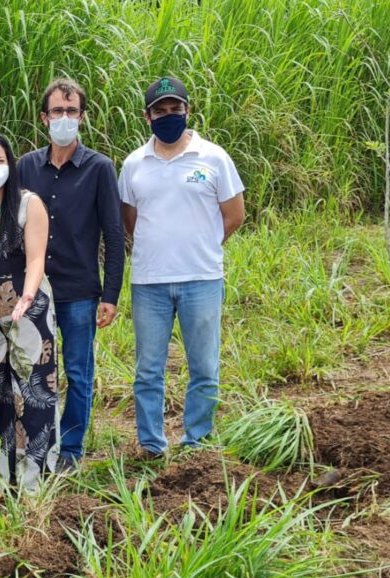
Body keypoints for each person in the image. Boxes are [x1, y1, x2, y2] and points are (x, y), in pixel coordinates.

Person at [119, 76, 246, 457]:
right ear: (147, 117)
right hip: (149, 282)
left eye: (176, 109)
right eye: (160, 110)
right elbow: (130, 219)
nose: (169, 116)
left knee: (204, 369)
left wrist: (202, 244)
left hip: (202, 280)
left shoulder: (214, 157)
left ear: (188, 111)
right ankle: (152, 445)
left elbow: (234, 214)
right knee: (147, 372)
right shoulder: (134, 164)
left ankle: (197, 442)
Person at [16, 78, 126, 471]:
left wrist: (111, 294)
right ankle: (36, 443)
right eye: (57, 112)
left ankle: (71, 450)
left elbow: (114, 235)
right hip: (36, 289)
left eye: (72, 111)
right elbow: (10, 223)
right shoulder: (27, 165)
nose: (65, 118)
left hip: (80, 291)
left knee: (78, 372)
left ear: (82, 116)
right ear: (44, 118)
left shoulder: (99, 168)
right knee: (34, 370)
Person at [0, 132, 59, 494]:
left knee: (33, 391)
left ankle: (35, 478)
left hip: (27, 310)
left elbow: (36, 258)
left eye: (0, 161)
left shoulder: (27, 204)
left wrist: (29, 294)